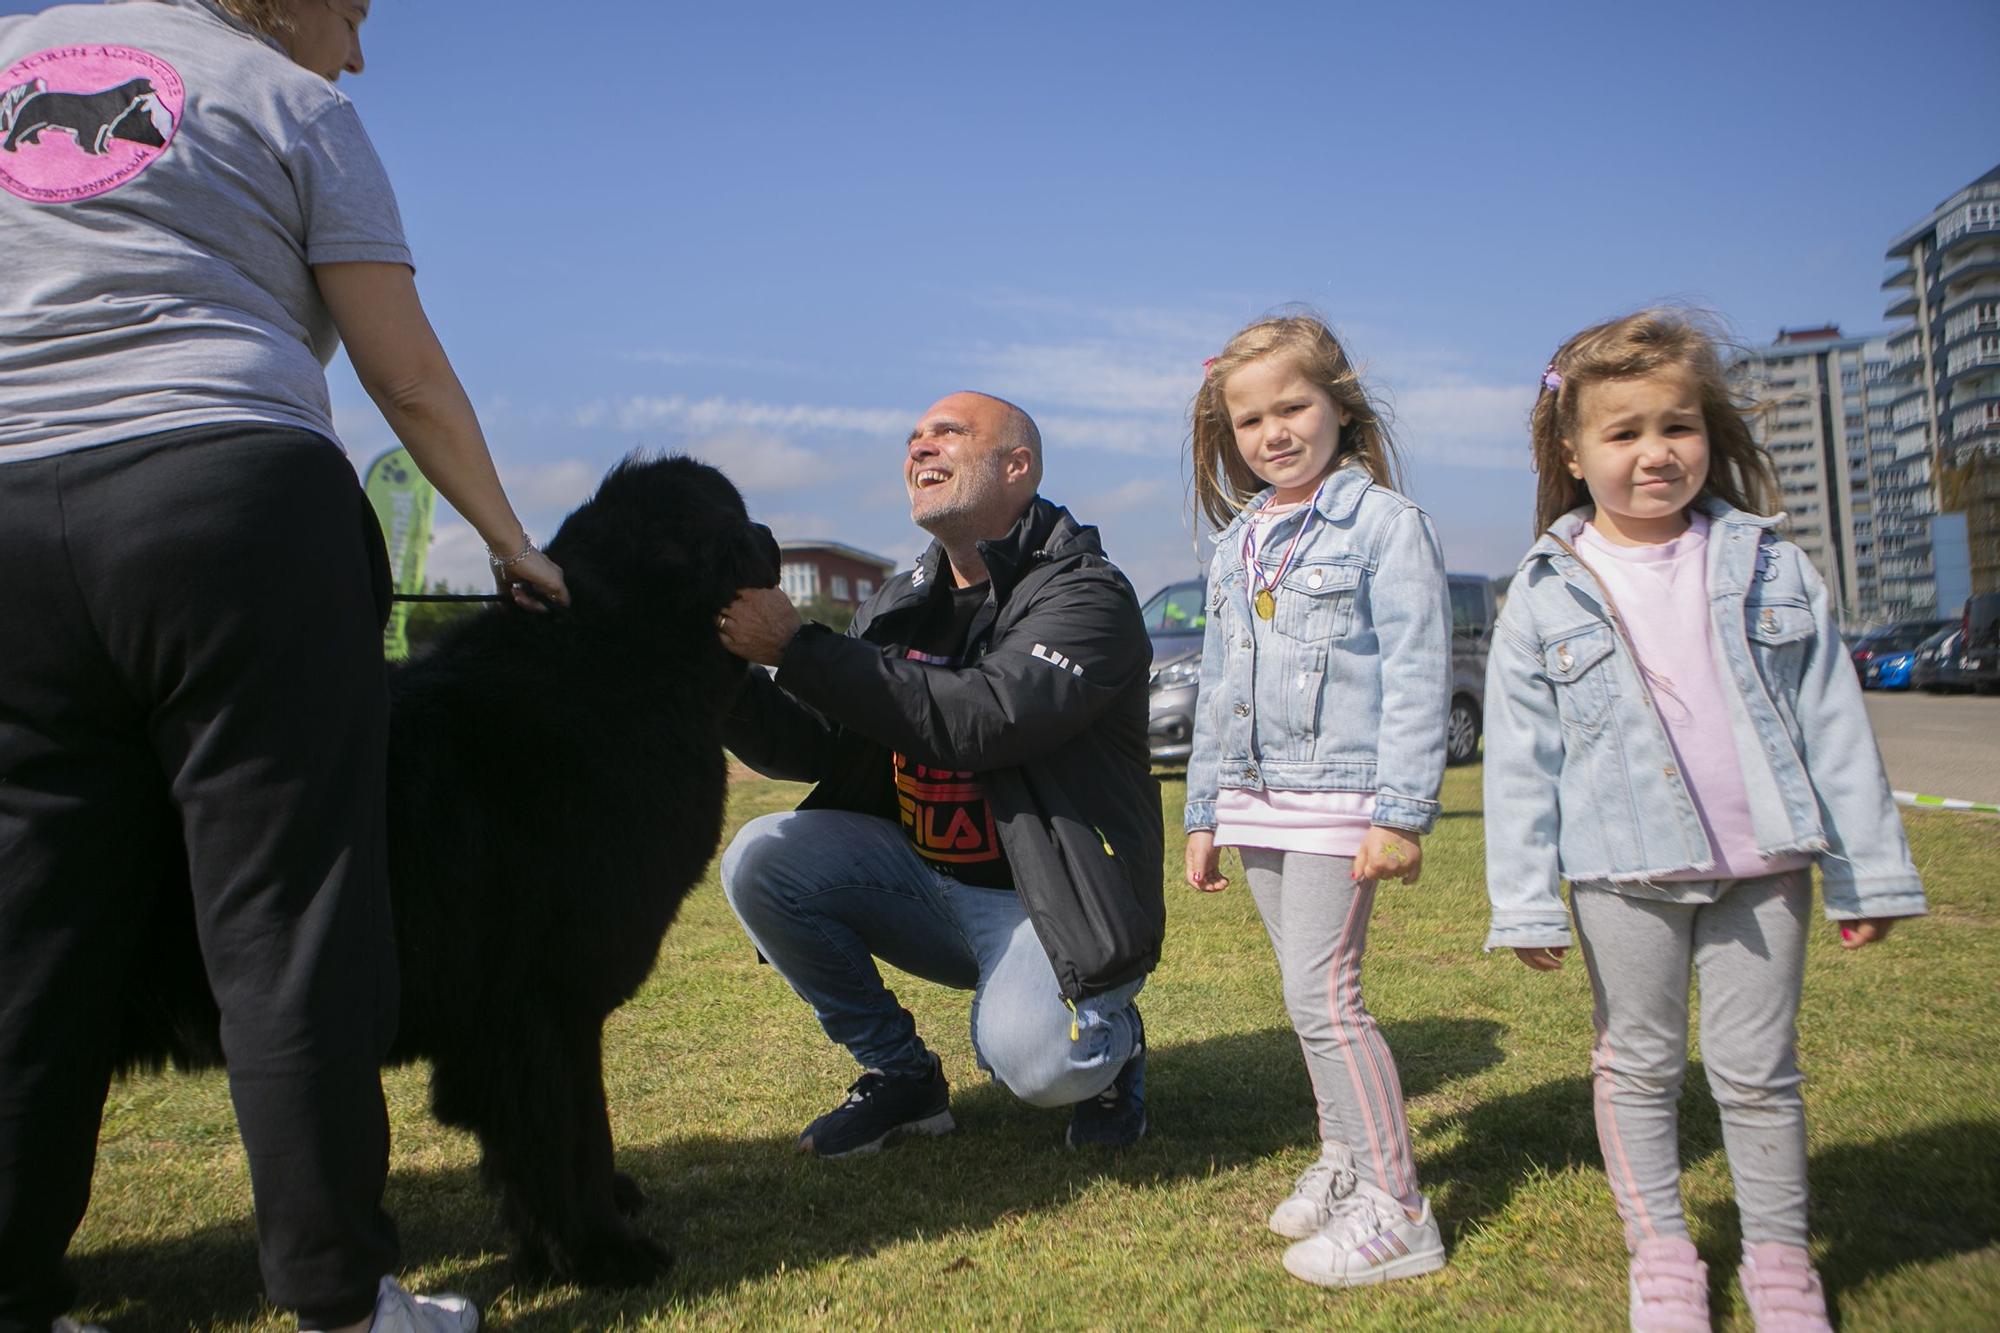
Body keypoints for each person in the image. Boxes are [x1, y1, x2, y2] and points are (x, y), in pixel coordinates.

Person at [0, 2, 567, 1331]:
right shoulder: (287, 98)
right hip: (230, 502)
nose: (359, 50)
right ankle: (338, 1298)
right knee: (289, 913)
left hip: (10, 519)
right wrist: (508, 537)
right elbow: (405, 373)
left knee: (28, 925)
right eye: (356, 12)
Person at [1482, 309, 1926, 1333]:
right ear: (1571, 450)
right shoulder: (1543, 592)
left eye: (1675, 427)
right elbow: (1518, 764)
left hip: (1766, 867)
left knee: (1757, 1073)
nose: (1653, 453)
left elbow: (1833, 729)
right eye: (1623, 432)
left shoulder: (1769, 565)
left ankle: (1778, 1263)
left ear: (1709, 433)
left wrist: (1868, 872)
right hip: (1620, 874)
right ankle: (1663, 1255)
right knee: (1634, 1067)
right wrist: (1522, 902)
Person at [715, 391, 1162, 1157]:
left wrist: (798, 647)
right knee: (761, 857)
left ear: (1016, 465)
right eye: (914, 437)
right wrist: (709, 667)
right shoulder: (901, 601)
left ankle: (1109, 1042)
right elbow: (815, 744)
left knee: (1033, 1060)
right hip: (924, 887)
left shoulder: (1087, 593)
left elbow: (983, 717)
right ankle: (903, 1077)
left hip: (1050, 905)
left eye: (948, 433)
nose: (920, 447)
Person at [1182, 314, 1452, 1289]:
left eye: (1291, 405)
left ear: (1338, 403)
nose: (1273, 432)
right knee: (1303, 1003)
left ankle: (1396, 1204)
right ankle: (1341, 1164)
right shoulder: (1235, 545)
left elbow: (1420, 674)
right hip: (1257, 799)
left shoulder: (1385, 526)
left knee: (1323, 996)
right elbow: (1218, 680)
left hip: (1341, 797)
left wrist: (1400, 810)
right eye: (1249, 419)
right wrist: (1203, 813)